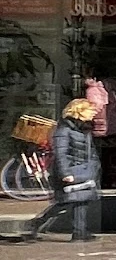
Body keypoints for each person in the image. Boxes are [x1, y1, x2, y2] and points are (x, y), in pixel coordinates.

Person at [29, 96, 103, 242]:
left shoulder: (84, 129)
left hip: (84, 171)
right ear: (80, 111)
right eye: (90, 110)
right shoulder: (64, 130)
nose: (94, 113)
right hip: (72, 171)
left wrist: (94, 167)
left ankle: (79, 233)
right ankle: (37, 223)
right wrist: (65, 173)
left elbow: (90, 151)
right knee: (65, 201)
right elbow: (60, 154)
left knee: (81, 201)